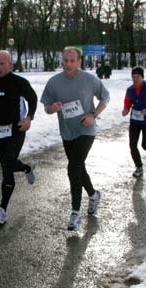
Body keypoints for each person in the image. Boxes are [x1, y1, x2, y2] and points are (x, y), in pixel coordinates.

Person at [41, 47, 110, 231]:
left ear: (79, 62)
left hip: (86, 130)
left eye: (72, 61)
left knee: (73, 168)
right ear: (62, 61)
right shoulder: (54, 82)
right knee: (79, 167)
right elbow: (46, 107)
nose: (68, 64)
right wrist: (52, 109)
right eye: (65, 60)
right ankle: (93, 194)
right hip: (67, 132)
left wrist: (93, 115)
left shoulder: (89, 79)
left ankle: (75, 212)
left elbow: (105, 97)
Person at [0, 50, 37, 225]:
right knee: (7, 163)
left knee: (6, 166)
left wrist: (29, 118)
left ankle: (2, 210)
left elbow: (32, 99)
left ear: (10, 64)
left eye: (2, 64)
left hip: (17, 128)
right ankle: (26, 168)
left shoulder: (19, 82)